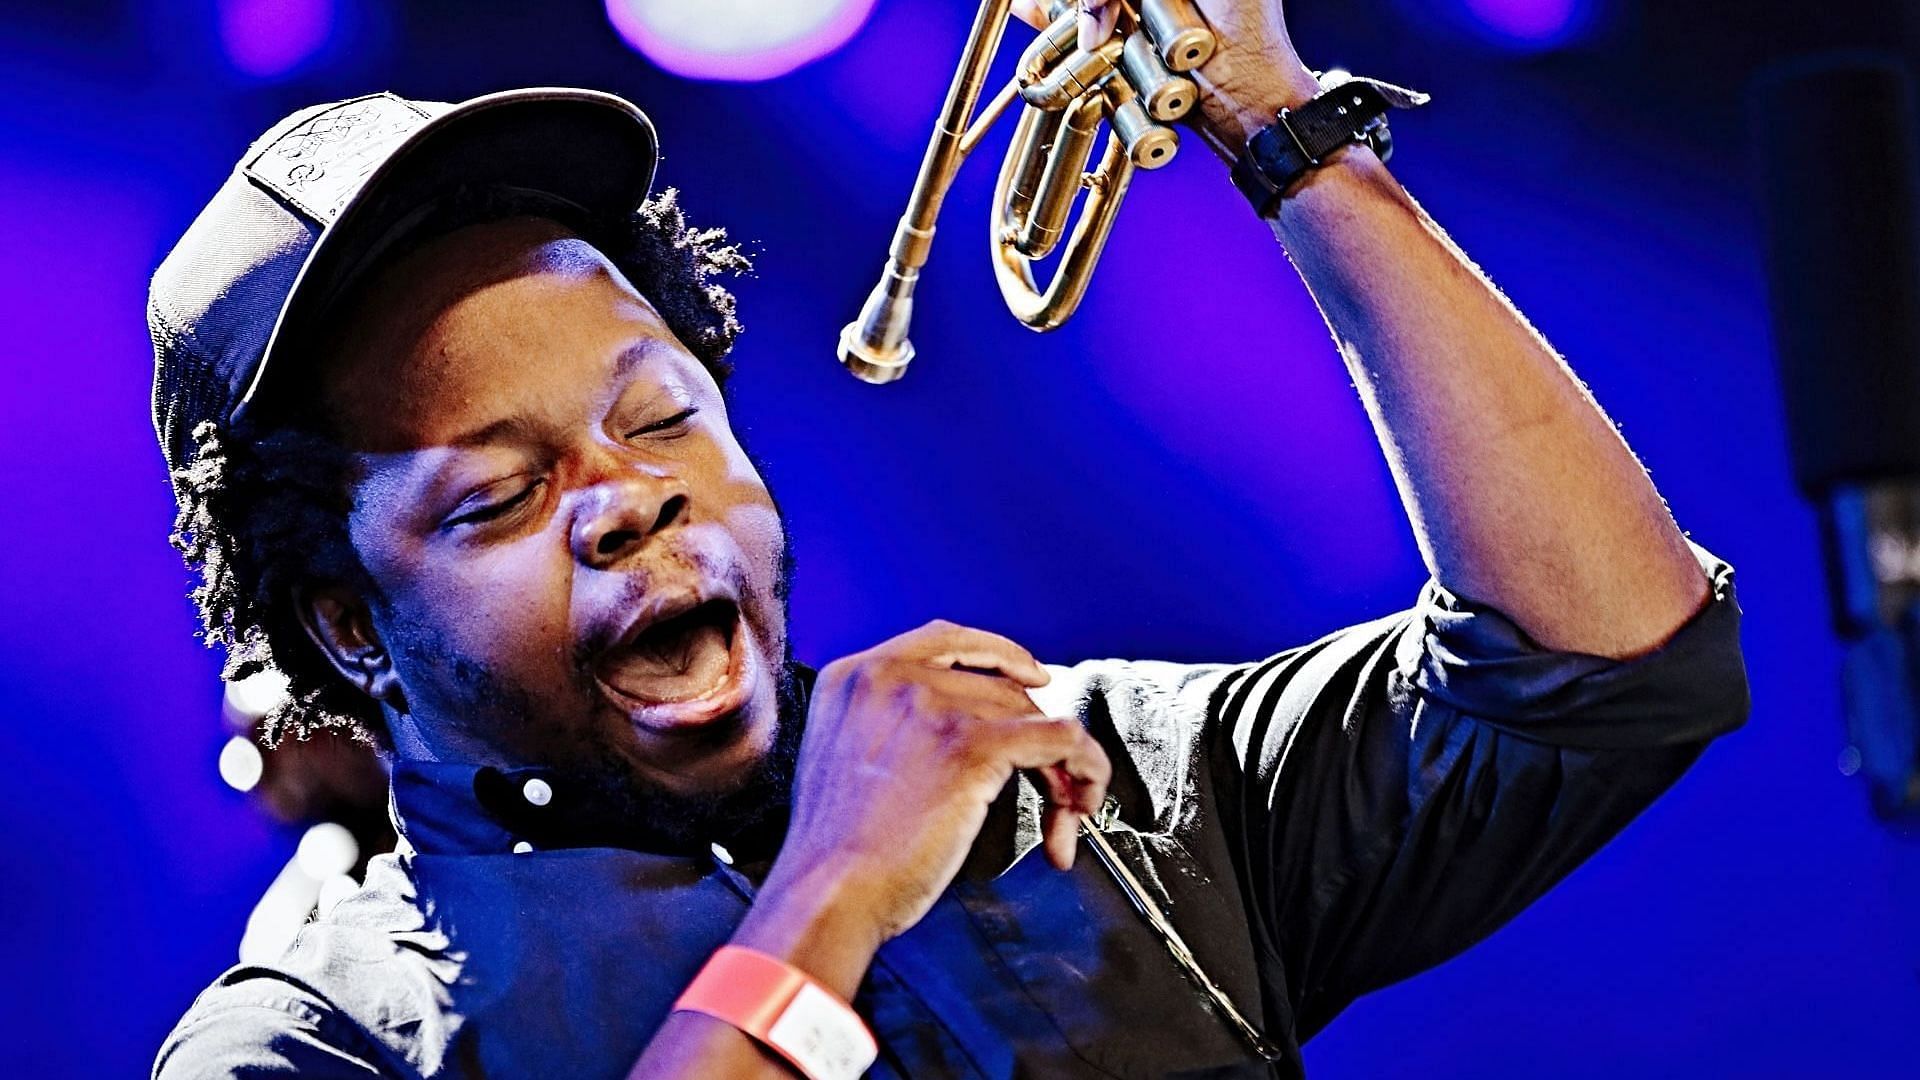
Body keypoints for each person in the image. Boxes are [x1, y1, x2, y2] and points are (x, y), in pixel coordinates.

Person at [148, 1, 1749, 1077]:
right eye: (495, 495)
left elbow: (1608, 665)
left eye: (661, 416)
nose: (630, 496)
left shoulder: (1060, 766)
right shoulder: (311, 1038)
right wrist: (835, 891)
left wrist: (1279, 121)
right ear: (350, 626)